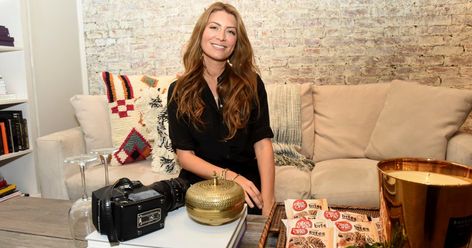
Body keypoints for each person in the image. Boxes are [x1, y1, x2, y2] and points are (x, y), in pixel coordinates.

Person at [167, 2, 275, 216]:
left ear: (236, 42)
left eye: (230, 31)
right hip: (200, 187)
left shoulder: (252, 83)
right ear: (201, 33)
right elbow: (185, 156)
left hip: (248, 189)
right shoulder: (178, 90)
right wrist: (232, 178)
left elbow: (262, 145)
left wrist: (269, 202)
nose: (221, 36)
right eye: (214, 27)